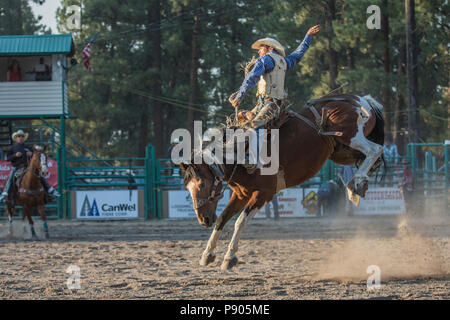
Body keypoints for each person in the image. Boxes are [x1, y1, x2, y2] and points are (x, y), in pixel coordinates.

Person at [231, 25, 321, 128]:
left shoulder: (264, 59)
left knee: (252, 127)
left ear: (270, 48)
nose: (258, 51)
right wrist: (308, 35)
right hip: (277, 105)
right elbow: (298, 54)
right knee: (246, 120)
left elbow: (251, 77)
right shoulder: (284, 62)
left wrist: (239, 96)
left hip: (267, 104)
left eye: (261, 48)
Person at [0, 130, 59, 202]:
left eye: (22, 136)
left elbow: (35, 158)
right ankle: (5, 193)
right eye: (19, 136)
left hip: (27, 167)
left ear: (24, 138)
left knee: (39, 177)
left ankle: (50, 190)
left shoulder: (28, 147)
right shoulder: (12, 148)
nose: (20, 138)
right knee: (11, 178)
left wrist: (32, 155)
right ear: (16, 138)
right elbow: (8, 159)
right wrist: (15, 155)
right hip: (17, 167)